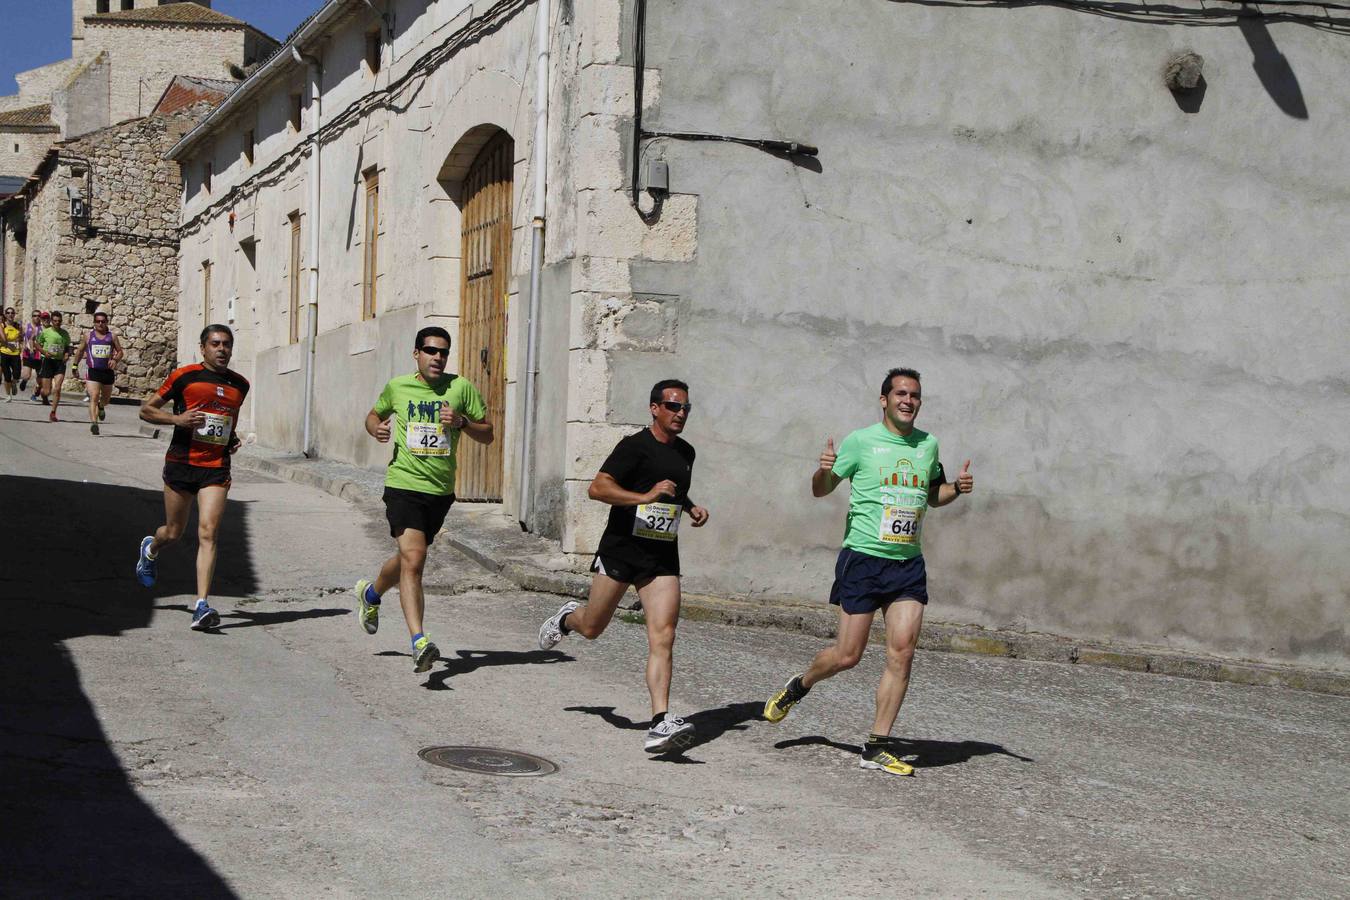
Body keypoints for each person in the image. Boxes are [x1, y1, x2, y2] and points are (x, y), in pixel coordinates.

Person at [762, 368, 975, 777]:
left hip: (908, 564)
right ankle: (800, 684)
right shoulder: (860, 442)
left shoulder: (928, 445)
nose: (908, 401)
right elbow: (820, 489)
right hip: (863, 559)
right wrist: (824, 469)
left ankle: (877, 745)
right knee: (847, 656)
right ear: (884, 400)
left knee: (903, 651)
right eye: (900, 394)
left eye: (914, 395)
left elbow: (934, 495)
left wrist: (957, 490)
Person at [538, 380, 710, 754]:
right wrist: (643, 497)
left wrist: (690, 506)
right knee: (592, 627)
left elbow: (673, 490)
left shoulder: (687, 453)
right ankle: (568, 618)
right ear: (654, 408)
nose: (680, 414)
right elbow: (598, 489)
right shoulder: (633, 448)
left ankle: (660, 722)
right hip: (621, 551)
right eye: (672, 407)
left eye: (685, 408)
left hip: (661, 556)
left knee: (664, 635)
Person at [354, 326, 492, 674]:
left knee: (406, 558)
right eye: (430, 351)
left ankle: (371, 594)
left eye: (443, 352)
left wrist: (461, 422)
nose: (438, 357)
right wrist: (377, 429)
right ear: (416, 353)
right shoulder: (399, 387)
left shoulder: (460, 388)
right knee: (415, 559)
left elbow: (488, 433)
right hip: (403, 484)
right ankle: (419, 642)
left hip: (440, 491)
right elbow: (374, 415)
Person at [134, 325, 249, 631]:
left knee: (209, 532)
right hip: (181, 463)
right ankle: (151, 548)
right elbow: (146, 410)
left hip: (215, 466)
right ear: (203, 348)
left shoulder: (240, 385)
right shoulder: (184, 377)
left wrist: (231, 439)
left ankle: (202, 605)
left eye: (226, 344)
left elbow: (226, 422)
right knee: (173, 532)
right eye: (215, 344)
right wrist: (177, 419)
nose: (222, 349)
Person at [69, 311, 124, 434]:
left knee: (105, 400)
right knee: (94, 396)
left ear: (106, 323)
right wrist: (74, 366)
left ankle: (101, 406)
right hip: (93, 371)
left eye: (103, 321)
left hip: (107, 372)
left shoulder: (112, 337)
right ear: (94, 323)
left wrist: (115, 359)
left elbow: (120, 352)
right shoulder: (88, 336)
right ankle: (94, 423)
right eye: (98, 321)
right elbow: (79, 351)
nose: (100, 324)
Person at [37, 310, 72, 421]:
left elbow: (68, 347)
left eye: (59, 321)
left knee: (57, 388)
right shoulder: (46, 332)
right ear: (51, 321)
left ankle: (53, 413)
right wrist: (43, 352)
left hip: (60, 362)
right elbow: (37, 344)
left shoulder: (65, 333)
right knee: (47, 391)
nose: (57, 323)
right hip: (48, 361)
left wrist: (67, 354)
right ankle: (43, 394)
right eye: (55, 321)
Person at [20, 310, 45, 399]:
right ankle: (24, 381)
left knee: (40, 377)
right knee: (27, 375)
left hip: (39, 354)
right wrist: (22, 351)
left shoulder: (43, 329)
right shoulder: (26, 327)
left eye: (38, 316)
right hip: (28, 353)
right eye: (34, 315)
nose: (37, 317)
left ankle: (34, 394)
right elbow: (22, 339)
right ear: (32, 317)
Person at [0, 308, 21, 402]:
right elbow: (3, 339)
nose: (10, 314)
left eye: (12, 313)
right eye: (8, 313)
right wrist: (9, 344)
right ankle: (8, 395)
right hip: (4, 352)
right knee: (7, 375)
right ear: (5, 315)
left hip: (16, 353)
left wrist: (21, 346)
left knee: (17, 374)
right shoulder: (2, 325)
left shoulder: (17, 325)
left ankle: (14, 383)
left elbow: (21, 338)